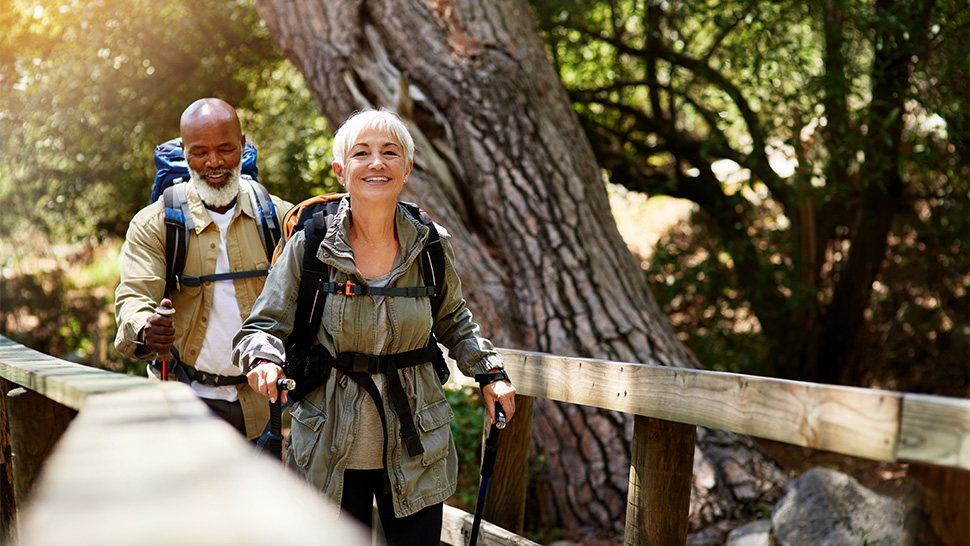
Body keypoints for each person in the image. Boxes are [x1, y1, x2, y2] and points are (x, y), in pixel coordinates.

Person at [232, 108, 516, 544]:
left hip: (415, 443)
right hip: (330, 446)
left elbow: (454, 320)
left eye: (390, 152)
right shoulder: (310, 245)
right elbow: (261, 327)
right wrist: (264, 359)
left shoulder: (431, 245)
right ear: (340, 170)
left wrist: (490, 372)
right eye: (361, 153)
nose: (377, 162)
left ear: (407, 168)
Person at [114, 98, 293, 441]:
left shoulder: (277, 217)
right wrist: (145, 329)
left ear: (242, 145)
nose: (214, 163)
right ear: (184, 151)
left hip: (263, 406)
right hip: (184, 402)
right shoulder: (156, 224)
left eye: (226, 149)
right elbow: (134, 299)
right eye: (199, 152)